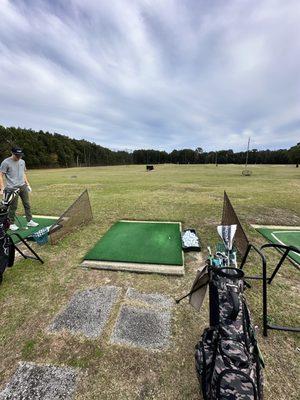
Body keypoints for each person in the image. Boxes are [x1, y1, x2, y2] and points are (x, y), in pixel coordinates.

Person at [0, 147, 39, 231]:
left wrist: (27, 184)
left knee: (27, 204)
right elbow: (1, 175)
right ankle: (11, 223)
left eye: (20, 155)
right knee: (13, 206)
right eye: (17, 155)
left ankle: (30, 221)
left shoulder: (22, 161)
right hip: (12, 188)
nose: (19, 157)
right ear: (12, 153)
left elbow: (23, 173)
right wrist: (2, 187)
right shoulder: (6, 162)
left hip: (22, 186)